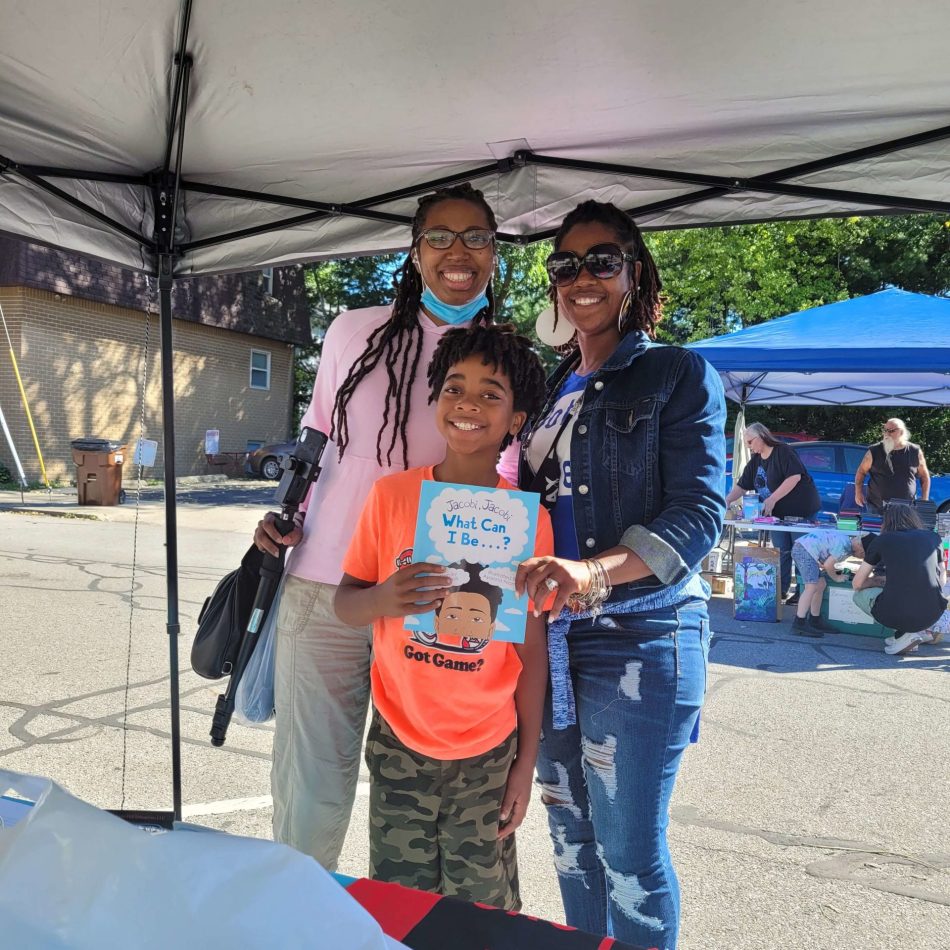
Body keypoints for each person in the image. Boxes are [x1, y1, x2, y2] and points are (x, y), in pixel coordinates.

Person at [252, 183, 500, 868]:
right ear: (414, 251)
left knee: (414, 796)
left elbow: (504, 476)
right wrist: (286, 516)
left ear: (495, 253)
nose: (458, 251)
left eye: (477, 236)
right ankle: (298, 928)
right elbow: (318, 436)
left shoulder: (502, 354)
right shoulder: (351, 330)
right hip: (323, 585)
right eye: (440, 236)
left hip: (428, 600)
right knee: (313, 788)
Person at [508, 200, 726, 949]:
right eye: (565, 265)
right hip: (553, 642)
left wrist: (590, 572)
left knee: (628, 855)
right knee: (570, 842)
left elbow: (698, 515)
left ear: (634, 270)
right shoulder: (549, 386)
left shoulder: (676, 373)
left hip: (643, 633)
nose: (582, 277)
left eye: (602, 260)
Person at [334, 324, 552, 909]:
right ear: (435, 401)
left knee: (481, 915)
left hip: (487, 752)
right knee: (401, 910)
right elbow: (345, 603)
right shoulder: (393, 497)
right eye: (455, 387)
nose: (468, 404)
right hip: (399, 744)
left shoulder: (528, 522)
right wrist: (385, 599)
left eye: (491, 393)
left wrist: (524, 767)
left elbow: (532, 656)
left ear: (515, 419)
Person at [725, 422, 821, 602]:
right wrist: (727, 499)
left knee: (801, 550)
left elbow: (794, 477)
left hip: (801, 508)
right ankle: (780, 589)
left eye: (750, 442)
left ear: (761, 437)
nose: (749, 447)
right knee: (781, 550)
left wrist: (772, 499)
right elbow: (743, 485)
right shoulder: (756, 460)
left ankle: (804, 591)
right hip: (777, 514)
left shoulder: (783, 451)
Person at [852, 504, 947, 654]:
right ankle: (910, 633)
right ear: (913, 518)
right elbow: (942, 580)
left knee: (859, 596)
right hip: (933, 612)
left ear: (887, 522)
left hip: (897, 612)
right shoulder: (934, 538)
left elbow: (857, 583)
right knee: (908, 597)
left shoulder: (882, 540)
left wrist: (875, 582)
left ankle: (906, 634)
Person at [789, 529, 866, 638]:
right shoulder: (844, 547)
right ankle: (799, 622)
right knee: (811, 587)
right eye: (862, 553)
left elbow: (825, 554)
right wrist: (837, 578)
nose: (861, 556)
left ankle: (815, 619)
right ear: (858, 546)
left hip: (803, 548)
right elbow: (828, 565)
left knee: (821, 584)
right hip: (805, 550)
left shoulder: (845, 541)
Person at [854, 418, 931, 512]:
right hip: (877, 507)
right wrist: (858, 492)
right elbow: (861, 472)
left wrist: (925, 499)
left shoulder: (914, 451)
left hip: (906, 508)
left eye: (891, 431)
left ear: (901, 432)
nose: (887, 434)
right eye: (885, 430)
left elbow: (924, 476)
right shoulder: (874, 451)